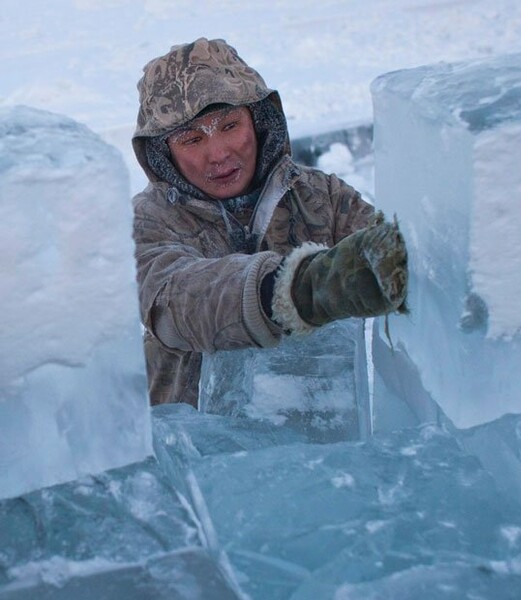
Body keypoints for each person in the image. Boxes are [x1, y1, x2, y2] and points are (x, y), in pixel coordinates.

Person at [132, 37, 408, 408]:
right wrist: (298, 288)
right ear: (164, 154)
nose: (218, 154)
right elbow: (174, 304)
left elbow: (400, 256)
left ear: (259, 122)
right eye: (192, 139)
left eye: (229, 125)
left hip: (322, 439)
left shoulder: (321, 196)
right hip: (193, 450)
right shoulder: (146, 221)